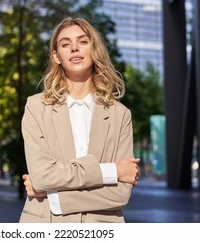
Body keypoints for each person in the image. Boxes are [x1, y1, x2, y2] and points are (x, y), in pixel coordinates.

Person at [19, 17, 140, 223]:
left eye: (83, 42)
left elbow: (120, 193)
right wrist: (112, 171)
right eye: (65, 44)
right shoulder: (36, 107)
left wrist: (53, 195)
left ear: (94, 49)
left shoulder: (120, 114)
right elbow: (42, 176)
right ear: (56, 56)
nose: (74, 48)